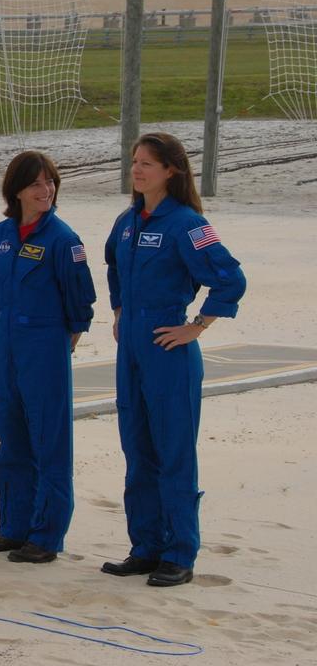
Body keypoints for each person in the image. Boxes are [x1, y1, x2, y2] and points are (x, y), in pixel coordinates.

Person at [101, 132, 246, 587]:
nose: (138, 170)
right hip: (132, 351)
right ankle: (145, 546)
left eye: (147, 163)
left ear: (171, 170)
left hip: (169, 350)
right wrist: (121, 310)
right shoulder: (127, 221)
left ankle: (180, 552)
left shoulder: (186, 224)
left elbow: (230, 280)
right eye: (135, 162)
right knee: (137, 449)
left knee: (173, 452)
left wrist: (197, 325)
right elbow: (112, 265)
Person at [0, 151, 95, 564]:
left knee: (49, 440)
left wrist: (62, 345)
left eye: (50, 183)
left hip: (45, 342)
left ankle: (46, 534)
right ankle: (14, 528)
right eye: (36, 184)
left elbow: (80, 304)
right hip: (6, 338)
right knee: (11, 434)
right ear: (17, 190)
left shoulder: (64, 240)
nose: (46, 191)